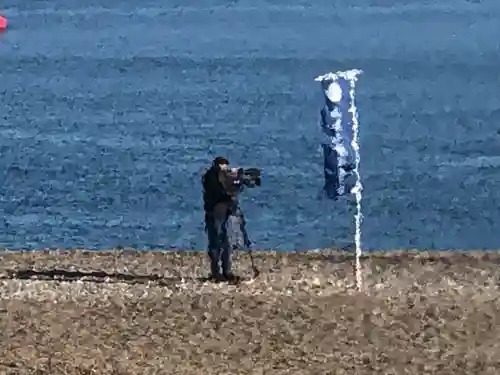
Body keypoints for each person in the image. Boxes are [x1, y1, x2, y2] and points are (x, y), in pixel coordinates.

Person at [201, 156, 243, 282]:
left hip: (226, 211)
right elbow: (219, 190)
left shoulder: (225, 177)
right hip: (215, 212)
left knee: (228, 242)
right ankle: (216, 272)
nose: (224, 167)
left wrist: (236, 180)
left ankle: (226, 271)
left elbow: (232, 190)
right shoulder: (211, 177)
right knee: (216, 241)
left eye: (225, 164)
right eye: (222, 165)